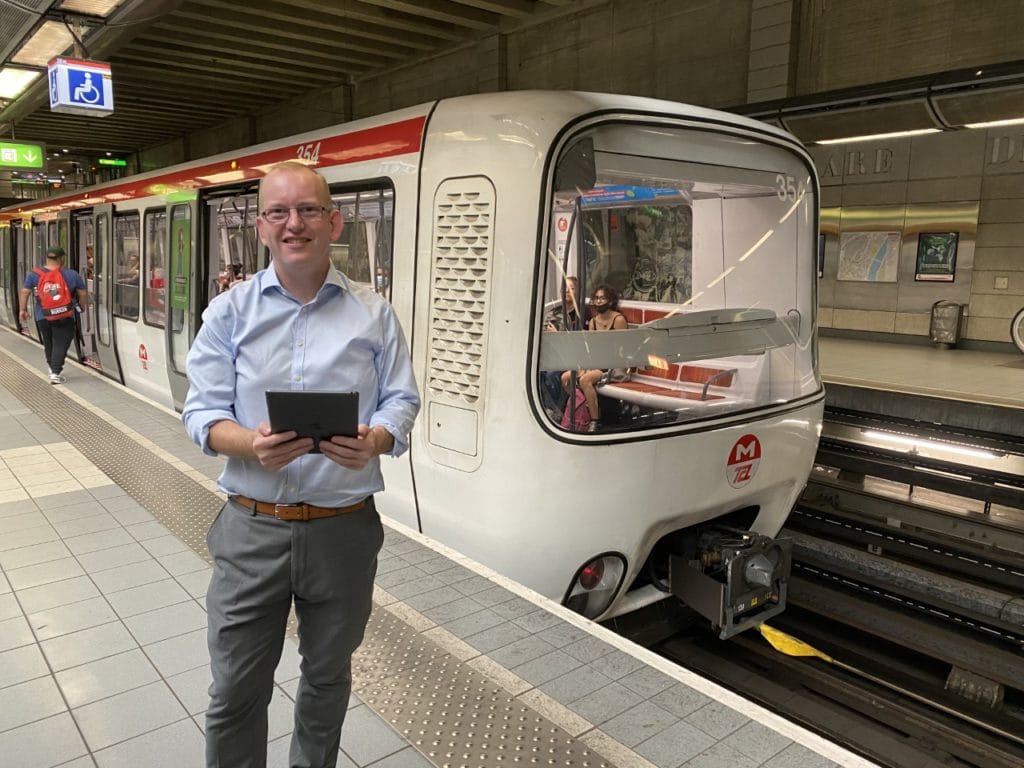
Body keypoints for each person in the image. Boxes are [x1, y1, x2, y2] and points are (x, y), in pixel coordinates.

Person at [181, 161, 420, 768]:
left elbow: (402, 398)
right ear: (261, 227)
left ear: (333, 221)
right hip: (251, 525)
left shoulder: (374, 313)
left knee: (327, 680)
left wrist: (378, 438)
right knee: (235, 688)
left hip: (344, 527)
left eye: (309, 210)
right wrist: (250, 444)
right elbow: (201, 414)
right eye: (279, 212)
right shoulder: (228, 314)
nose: (295, 223)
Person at [561, 283, 627, 432]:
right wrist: (586, 366)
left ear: (610, 301)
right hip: (596, 361)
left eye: (602, 298)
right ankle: (585, 404)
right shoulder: (593, 321)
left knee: (585, 380)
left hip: (612, 364)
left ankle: (594, 420)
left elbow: (623, 348)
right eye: (596, 298)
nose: (598, 301)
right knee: (565, 378)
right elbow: (591, 348)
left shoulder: (618, 320)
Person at [19, 246, 88, 385]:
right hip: (64, 315)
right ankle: (55, 373)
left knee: (49, 342)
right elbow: (83, 293)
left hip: (42, 316)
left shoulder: (34, 274)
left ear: (48, 258)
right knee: (61, 343)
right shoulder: (71, 274)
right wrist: (82, 307)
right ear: (61, 258)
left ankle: (52, 368)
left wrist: (22, 310)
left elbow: (25, 292)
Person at [539, 277, 582, 419]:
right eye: (564, 287)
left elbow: (581, 343)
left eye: (571, 288)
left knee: (552, 375)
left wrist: (558, 335)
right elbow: (544, 336)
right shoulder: (554, 313)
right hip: (554, 356)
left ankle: (557, 413)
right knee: (537, 372)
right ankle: (551, 409)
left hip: (573, 358)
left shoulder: (581, 314)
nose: (566, 290)